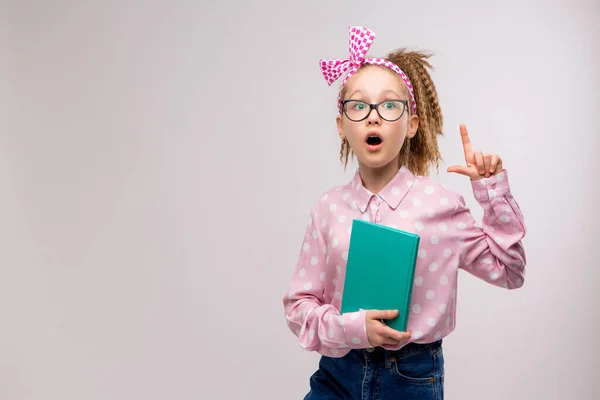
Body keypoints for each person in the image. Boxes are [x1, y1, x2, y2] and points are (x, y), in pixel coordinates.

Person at [282, 26, 527, 399]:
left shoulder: (440, 204)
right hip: (337, 374)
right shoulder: (328, 208)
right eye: (359, 106)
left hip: (412, 377)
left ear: (412, 124)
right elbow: (299, 308)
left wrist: (491, 193)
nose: (373, 117)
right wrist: (351, 329)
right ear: (341, 126)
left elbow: (509, 272)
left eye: (390, 106)